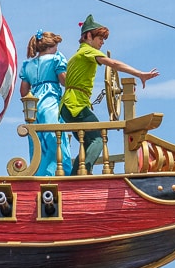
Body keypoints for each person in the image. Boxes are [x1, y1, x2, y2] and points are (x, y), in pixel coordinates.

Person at [60, 14, 159, 175]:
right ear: (88, 36)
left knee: (88, 143)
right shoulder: (87, 51)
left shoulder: (76, 56)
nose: (102, 42)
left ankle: (75, 176)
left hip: (68, 105)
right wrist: (139, 73)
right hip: (75, 105)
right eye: (100, 37)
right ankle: (83, 172)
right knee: (99, 139)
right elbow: (113, 64)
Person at [19, 30, 72, 176]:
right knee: (55, 138)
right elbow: (63, 80)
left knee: (38, 142)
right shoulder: (56, 59)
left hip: (33, 107)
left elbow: (23, 92)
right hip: (50, 102)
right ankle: (58, 172)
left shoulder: (27, 65)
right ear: (51, 46)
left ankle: (39, 173)